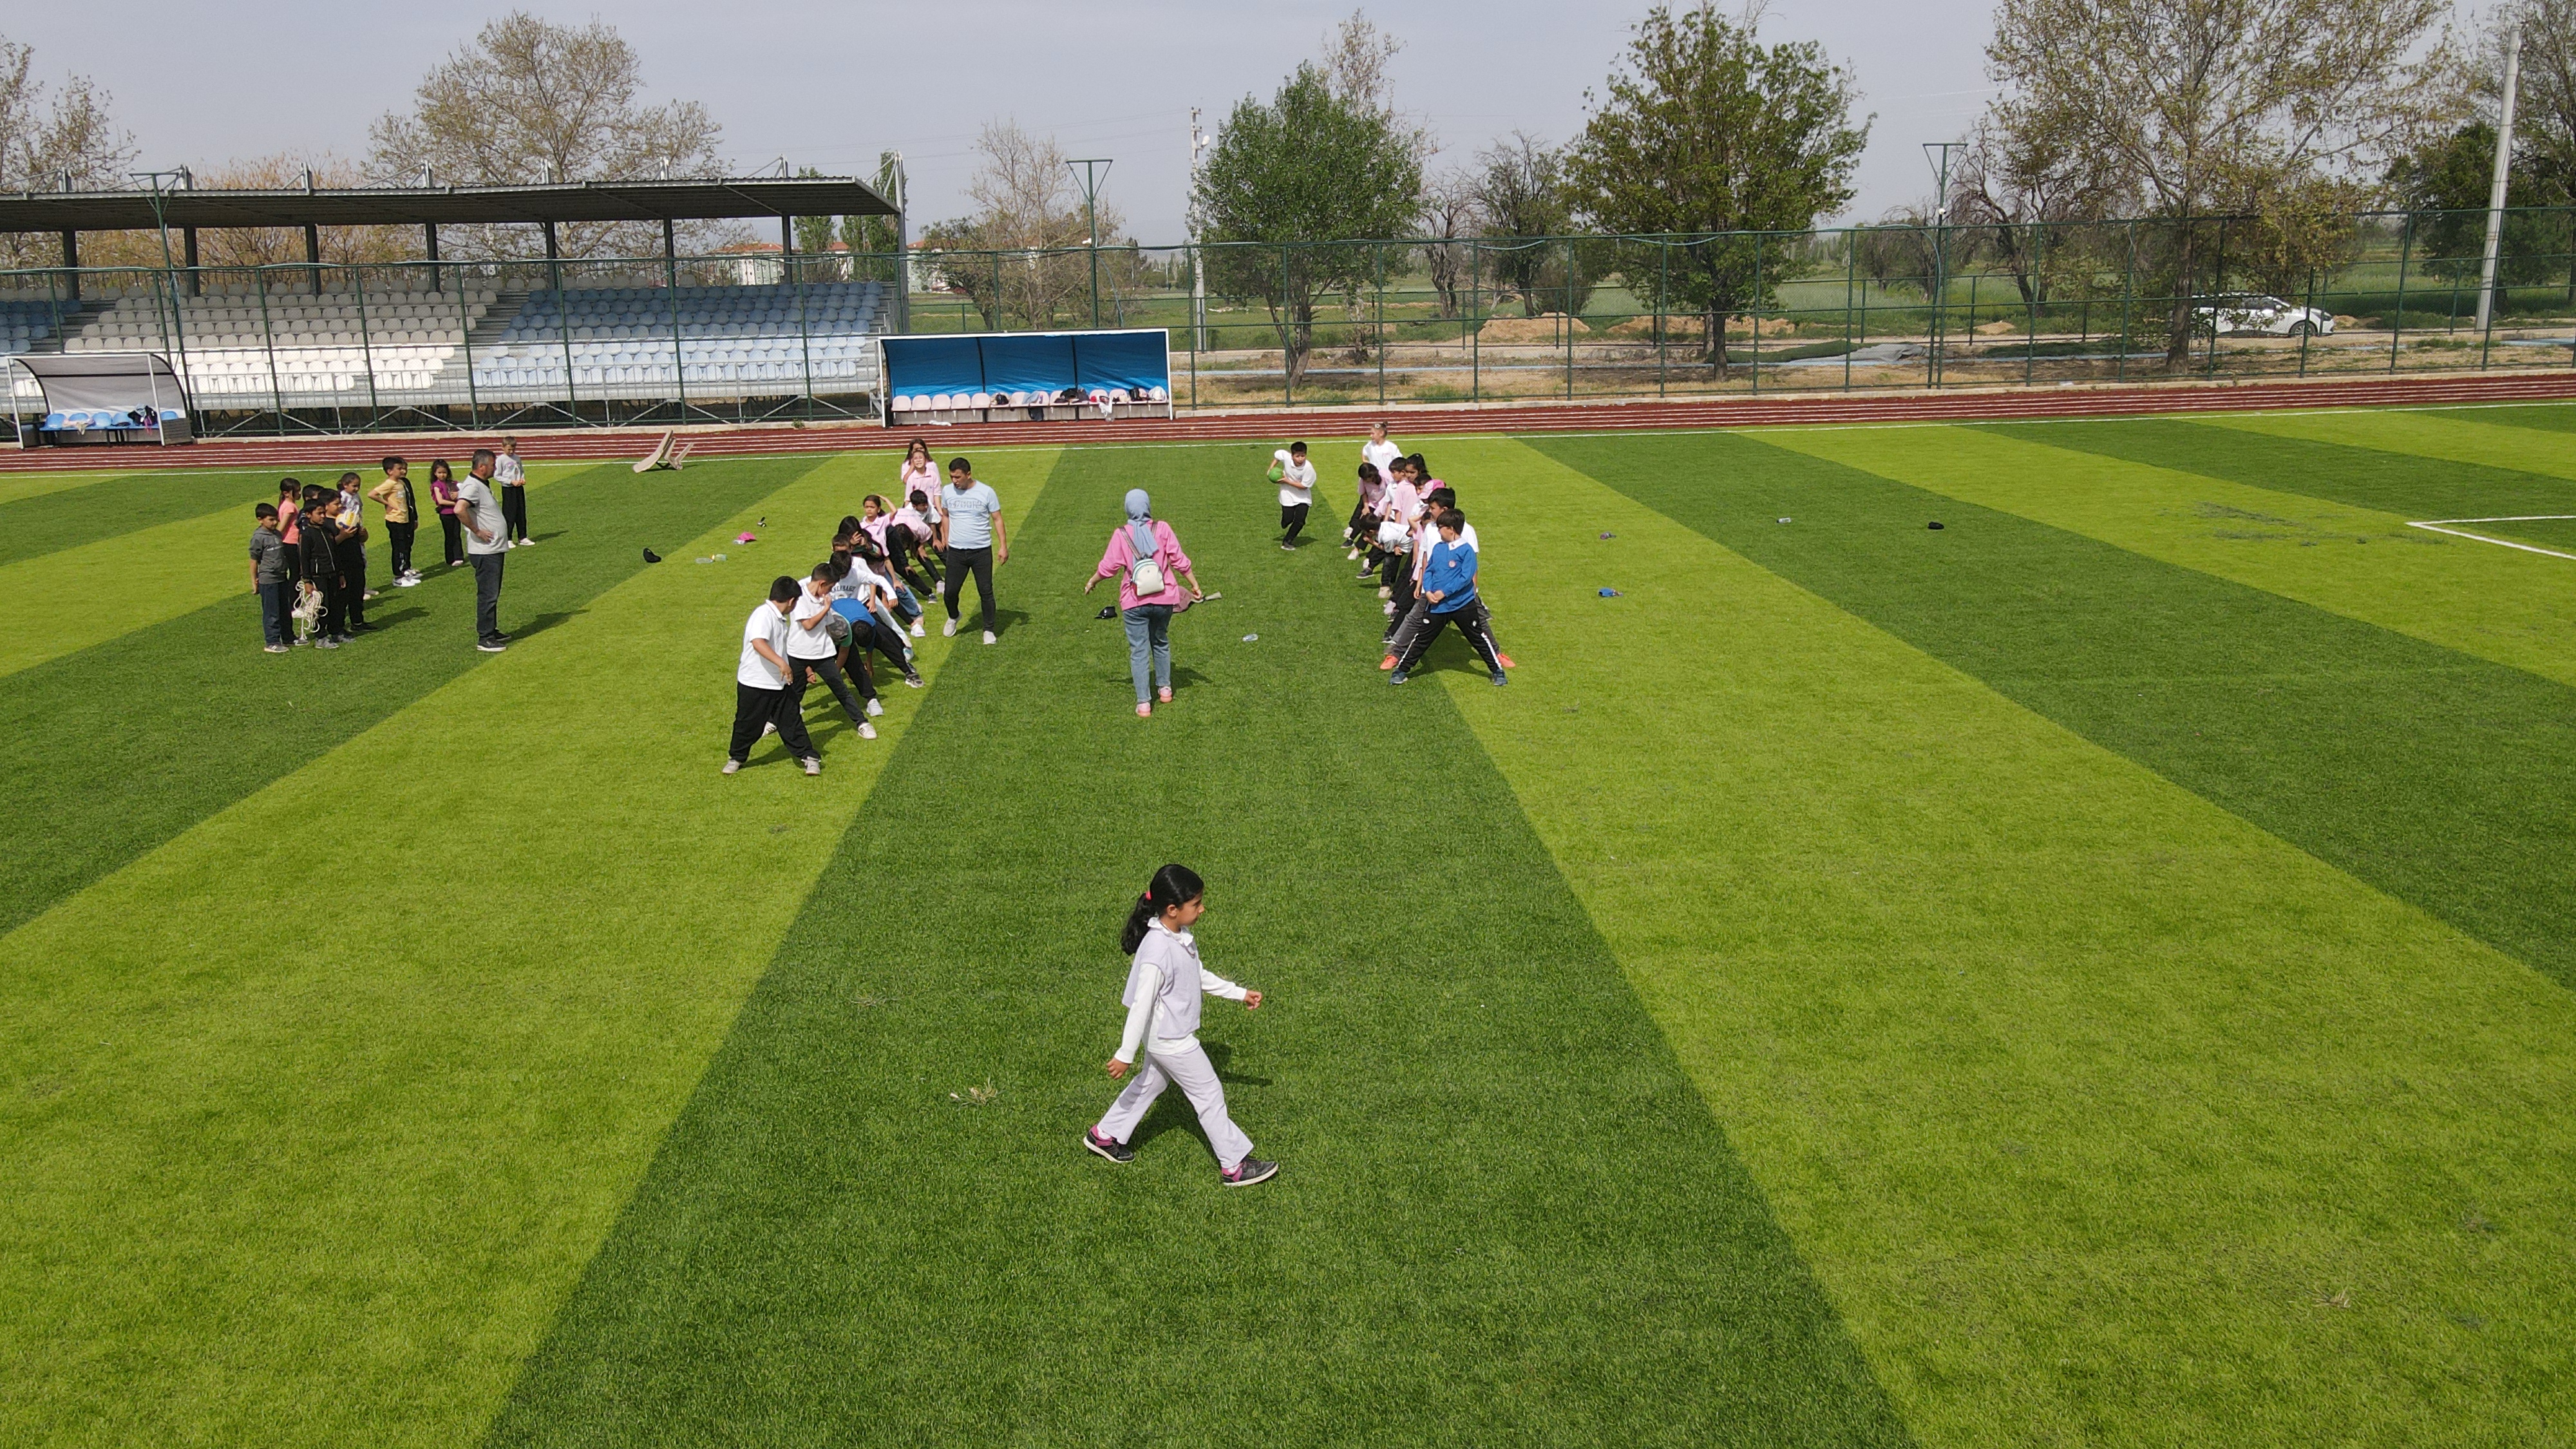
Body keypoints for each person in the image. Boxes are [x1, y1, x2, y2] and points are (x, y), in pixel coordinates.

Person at [1084, 864, 1276, 1187]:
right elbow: (1141, 1006)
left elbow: (1196, 975)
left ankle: (1105, 1135)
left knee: (1152, 1083)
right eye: (1196, 904)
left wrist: (1239, 993)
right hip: (1172, 1040)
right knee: (1209, 1094)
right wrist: (1125, 1054)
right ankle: (1234, 1166)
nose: (1202, 909)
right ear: (1172, 909)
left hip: (1164, 1037)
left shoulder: (1178, 936)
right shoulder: (1157, 951)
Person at [1087, 488, 1204, 717]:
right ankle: (1165, 689)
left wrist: (1092, 581)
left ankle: (1144, 704)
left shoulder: (1121, 534)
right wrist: (1195, 585)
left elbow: (1108, 567)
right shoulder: (1163, 528)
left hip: (1134, 602)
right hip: (1164, 598)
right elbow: (1179, 560)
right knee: (1160, 641)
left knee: (1139, 651)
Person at [1391, 508, 1506, 687]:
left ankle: (1497, 671)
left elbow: (1465, 577)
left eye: (1441, 528)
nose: (1438, 531)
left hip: (1462, 605)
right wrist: (1429, 591)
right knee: (1422, 638)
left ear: (1451, 529)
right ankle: (1401, 670)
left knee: (1478, 638)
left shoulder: (1466, 551)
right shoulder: (1438, 548)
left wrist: (1444, 592)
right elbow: (1429, 570)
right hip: (1438, 605)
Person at [728, 576, 821, 776]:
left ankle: (809, 757)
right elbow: (758, 643)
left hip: (779, 683)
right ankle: (736, 758)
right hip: (755, 683)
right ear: (791, 601)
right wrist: (782, 664)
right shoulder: (763, 615)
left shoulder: (778, 618)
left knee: (792, 721)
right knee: (747, 724)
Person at [788, 563, 878, 742]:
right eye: (829, 588)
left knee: (841, 690)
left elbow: (829, 626)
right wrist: (825, 608)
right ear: (822, 583)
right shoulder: (800, 597)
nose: (829, 592)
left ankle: (862, 723)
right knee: (792, 694)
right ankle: (773, 721)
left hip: (822, 654)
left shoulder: (823, 600)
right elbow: (808, 625)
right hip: (798, 653)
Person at [935, 456, 1007, 644]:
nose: (954, 481)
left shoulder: (986, 492)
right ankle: (954, 616)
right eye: (952, 477)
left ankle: (989, 629)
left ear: (968, 475)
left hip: (981, 551)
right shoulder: (947, 491)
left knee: (985, 591)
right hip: (957, 552)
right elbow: (945, 515)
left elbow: (997, 519)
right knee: (950, 592)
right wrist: (946, 537)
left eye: (958, 477)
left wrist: (1003, 546)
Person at [455, 448, 511, 652]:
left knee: (492, 592)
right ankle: (485, 637)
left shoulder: (480, 484)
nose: (495, 469)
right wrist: (477, 530)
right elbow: (459, 509)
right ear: (481, 467)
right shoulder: (473, 486)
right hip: (485, 551)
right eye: (493, 465)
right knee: (488, 594)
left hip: (492, 549)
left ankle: (491, 630)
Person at [296, 488, 350, 649]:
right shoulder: (306, 534)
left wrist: (340, 573)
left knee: (336, 605)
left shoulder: (327, 530)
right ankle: (321, 637)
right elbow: (304, 558)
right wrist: (307, 580)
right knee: (322, 606)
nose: (322, 516)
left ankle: (336, 632)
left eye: (323, 513)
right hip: (318, 576)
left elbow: (334, 553)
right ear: (308, 515)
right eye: (319, 513)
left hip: (333, 574)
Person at [368, 455, 422, 587]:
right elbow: (372, 494)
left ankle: (405, 571)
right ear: (390, 471)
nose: (403, 471)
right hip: (395, 520)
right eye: (399, 469)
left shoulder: (401, 483)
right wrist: (387, 504)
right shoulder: (389, 484)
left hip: (404, 519)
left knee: (405, 546)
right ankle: (398, 576)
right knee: (399, 548)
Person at [250, 503, 292, 653]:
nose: (275, 523)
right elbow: (254, 560)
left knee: (285, 610)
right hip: (268, 580)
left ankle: (288, 637)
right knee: (272, 612)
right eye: (271, 520)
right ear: (260, 520)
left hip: (282, 577)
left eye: (276, 519)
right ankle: (272, 642)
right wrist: (254, 581)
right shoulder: (258, 538)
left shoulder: (277, 534)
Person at [334, 472, 373, 628]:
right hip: (345, 533)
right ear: (345, 485)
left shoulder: (356, 497)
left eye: (358, 486)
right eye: (354, 486)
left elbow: (358, 514)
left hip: (356, 533)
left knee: (362, 563)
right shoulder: (341, 498)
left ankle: (358, 619)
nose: (357, 489)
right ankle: (340, 625)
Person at [1354, 422, 1401, 548]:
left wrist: (1391, 475)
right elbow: (1364, 453)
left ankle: (1371, 542)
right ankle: (1353, 532)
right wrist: (1366, 464)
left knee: (1378, 514)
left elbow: (1399, 462)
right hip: (1372, 482)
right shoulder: (1370, 446)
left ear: (1381, 433)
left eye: (1373, 433)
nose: (1371, 436)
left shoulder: (1391, 447)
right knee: (1363, 509)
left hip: (1385, 483)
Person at [1271, 441, 1316, 549]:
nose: (1300, 459)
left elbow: (1304, 486)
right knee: (1288, 520)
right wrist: (1270, 469)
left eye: (1303, 456)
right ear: (1292, 456)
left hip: (1303, 497)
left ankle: (1287, 541)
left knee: (1300, 521)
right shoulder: (1287, 458)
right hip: (1287, 495)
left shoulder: (1308, 468)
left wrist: (1287, 481)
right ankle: (1285, 521)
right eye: (1297, 456)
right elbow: (1278, 455)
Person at [495, 436, 533, 545]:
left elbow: (521, 470)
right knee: (509, 514)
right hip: (508, 489)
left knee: (521, 512)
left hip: (519, 488)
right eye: (509, 449)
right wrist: (511, 481)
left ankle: (523, 537)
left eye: (513, 449)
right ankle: (508, 538)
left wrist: (522, 479)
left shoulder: (517, 458)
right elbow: (497, 476)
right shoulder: (501, 460)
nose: (511, 452)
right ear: (503, 447)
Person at [428, 459, 464, 568]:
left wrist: (458, 494)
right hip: (446, 513)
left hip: (455, 512)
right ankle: (450, 558)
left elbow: (464, 488)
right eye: (439, 473)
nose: (442, 475)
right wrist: (455, 503)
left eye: (444, 472)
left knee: (457, 534)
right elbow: (440, 501)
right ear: (435, 473)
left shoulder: (453, 483)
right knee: (449, 535)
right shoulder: (436, 485)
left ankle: (459, 557)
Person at [897, 438, 941, 524]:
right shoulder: (907, 466)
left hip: (930, 504)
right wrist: (912, 467)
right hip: (915, 503)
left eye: (921, 448)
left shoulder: (932, 465)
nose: (919, 451)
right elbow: (906, 481)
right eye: (916, 449)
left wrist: (938, 508)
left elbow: (937, 488)